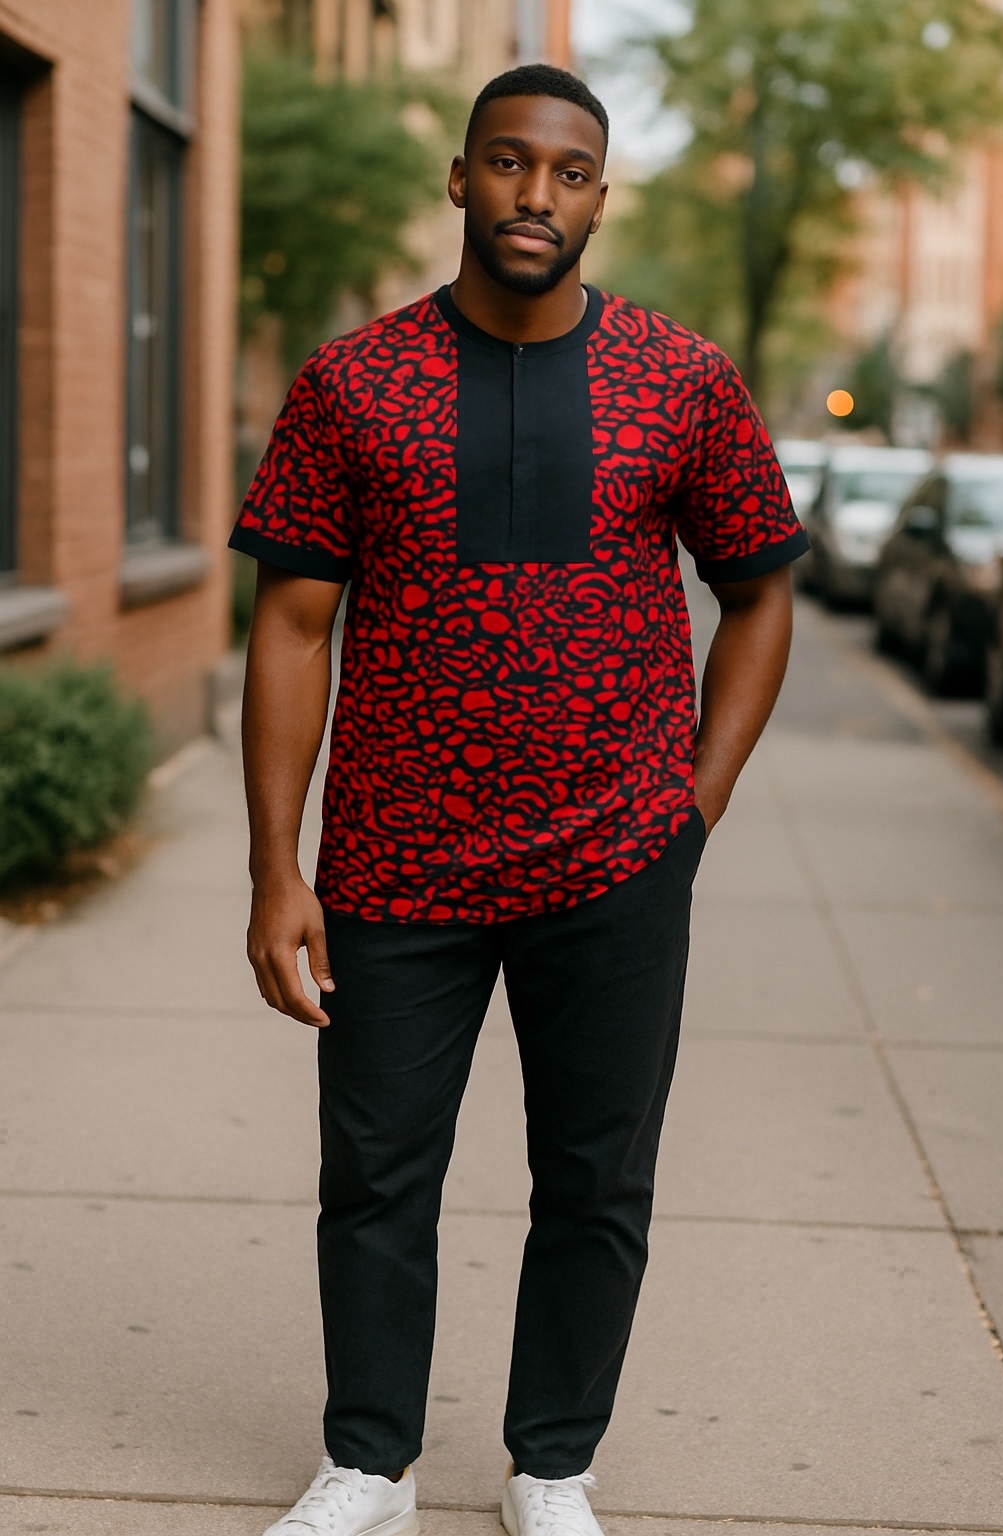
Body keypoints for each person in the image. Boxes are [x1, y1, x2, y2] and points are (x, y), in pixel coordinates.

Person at [230, 63, 808, 1536]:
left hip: (616, 858)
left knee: (597, 1179)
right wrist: (276, 867)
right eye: (507, 162)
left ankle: (553, 1466)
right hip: (392, 858)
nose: (534, 194)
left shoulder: (682, 378)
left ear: (600, 199)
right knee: (375, 1173)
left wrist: (694, 807)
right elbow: (290, 627)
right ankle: (370, 1466)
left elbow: (760, 593)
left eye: (568, 172)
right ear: (460, 178)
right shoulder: (351, 384)